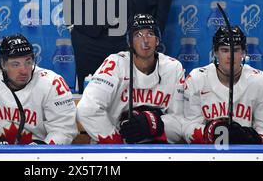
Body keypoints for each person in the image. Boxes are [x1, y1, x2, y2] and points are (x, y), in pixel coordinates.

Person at [77, 14, 185, 144]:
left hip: (157, 149)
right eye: (138, 35)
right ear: (130, 41)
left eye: (150, 34)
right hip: (115, 151)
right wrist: (118, 145)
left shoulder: (173, 68)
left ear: (157, 40)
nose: (145, 40)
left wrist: (152, 124)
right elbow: (87, 110)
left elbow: (179, 122)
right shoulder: (115, 64)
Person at [0, 33, 78, 145]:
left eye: (28, 62)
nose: (24, 70)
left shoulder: (52, 82)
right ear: (3, 64)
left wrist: (41, 151)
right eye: (15, 64)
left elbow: (64, 130)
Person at [182, 26, 263, 144]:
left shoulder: (262, 81)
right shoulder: (197, 78)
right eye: (224, 50)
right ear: (215, 52)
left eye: (235, 50)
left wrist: (255, 140)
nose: (230, 56)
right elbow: (188, 127)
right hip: (208, 152)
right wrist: (211, 131)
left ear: (243, 53)